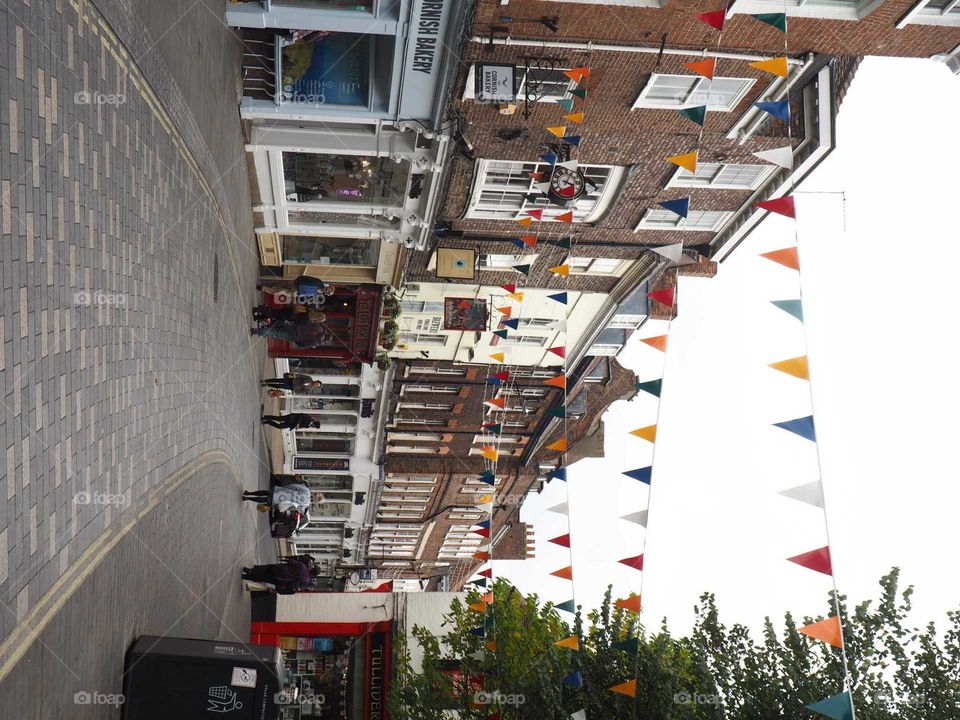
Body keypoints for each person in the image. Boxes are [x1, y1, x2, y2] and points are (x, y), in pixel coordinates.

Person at [241, 559, 312, 592]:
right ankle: (246, 577)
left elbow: (291, 561)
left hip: (280, 568)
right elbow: (293, 584)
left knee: (265, 568)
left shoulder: (303, 566)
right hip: (280, 579)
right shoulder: (305, 580)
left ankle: (251, 570)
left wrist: (285, 561)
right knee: (265, 578)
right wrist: (283, 586)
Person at [242, 481, 314, 514]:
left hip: (282, 492)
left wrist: (285, 488)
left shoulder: (307, 491)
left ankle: (249, 493)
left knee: (265, 492)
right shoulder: (305, 505)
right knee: (265, 500)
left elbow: (293, 486)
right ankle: (247, 498)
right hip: (281, 501)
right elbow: (297, 509)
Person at [258, 277, 337, 305]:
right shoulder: (318, 282)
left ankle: (263, 288)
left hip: (296, 293)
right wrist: (298, 279)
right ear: (327, 286)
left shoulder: (317, 296)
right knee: (279, 284)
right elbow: (307, 278)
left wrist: (297, 299)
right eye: (328, 288)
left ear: (326, 293)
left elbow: (306, 300)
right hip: (295, 284)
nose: (327, 289)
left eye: (328, 291)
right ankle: (264, 284)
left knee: (279, 291)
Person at [252, 322, 331, 348]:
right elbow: (304, 344)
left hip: (295, 327)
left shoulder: (318, 327)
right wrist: (297, 341)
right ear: (325, 340)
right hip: (295, 336)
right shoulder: (316, 342)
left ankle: (260, 330)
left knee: (277, 329)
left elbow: (307, 322)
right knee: (275, 334)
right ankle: (257, 331)